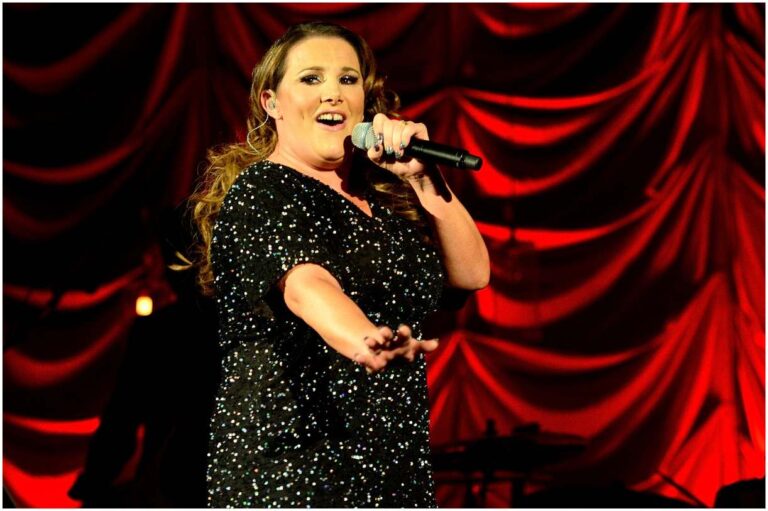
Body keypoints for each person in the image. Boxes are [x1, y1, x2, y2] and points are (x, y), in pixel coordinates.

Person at [188, 21, 489, 508]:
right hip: (296, 466)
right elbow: (306, 284)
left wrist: (423, 178)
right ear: (272, 102)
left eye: (348, 79)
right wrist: (364, 339)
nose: (333, 93)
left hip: (393, 465)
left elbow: (473, 274)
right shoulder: (262, 190)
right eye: (311, 78)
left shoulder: (381, 206)